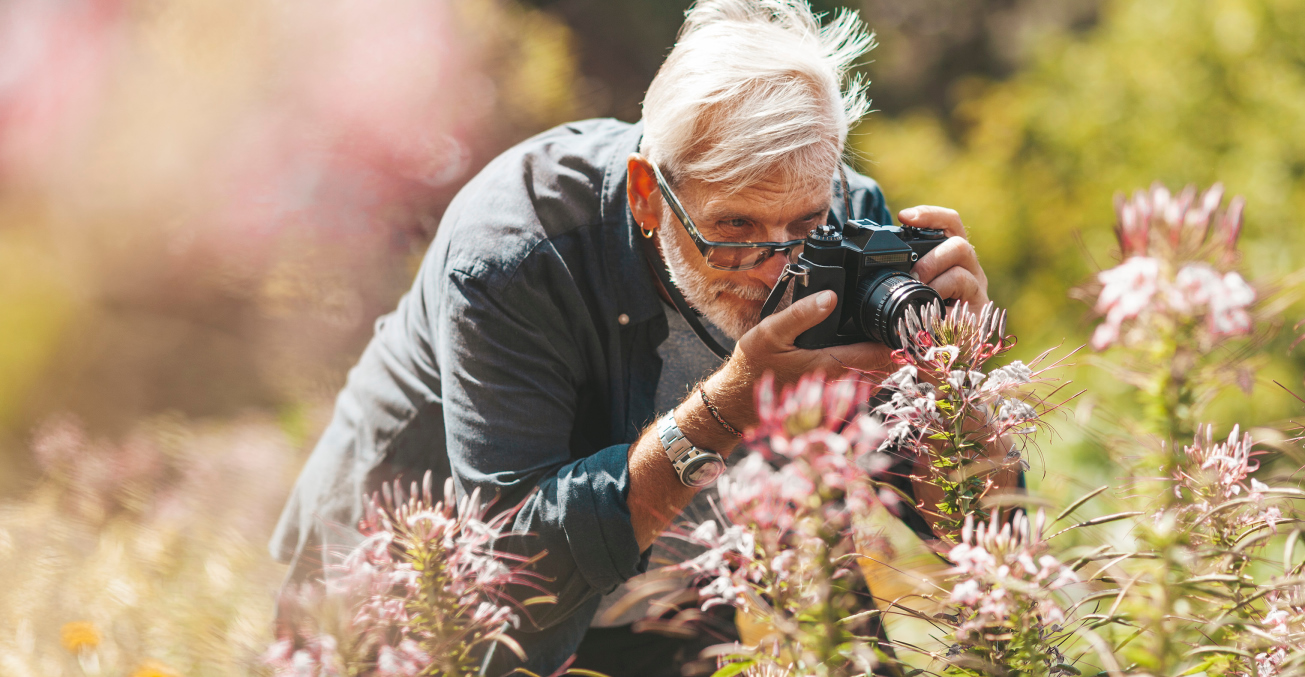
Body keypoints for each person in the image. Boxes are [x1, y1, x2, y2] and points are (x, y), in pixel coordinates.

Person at [269, 0, 992, 674]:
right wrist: (730, 406)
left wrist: (952, 382)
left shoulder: (846, 229)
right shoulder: (519, 248)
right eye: (734, 228)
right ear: (649, 194)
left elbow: (974, 527)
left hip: (667, 593)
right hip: (408, 595)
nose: (776, 267)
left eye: (803, 226)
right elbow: (519, 558)